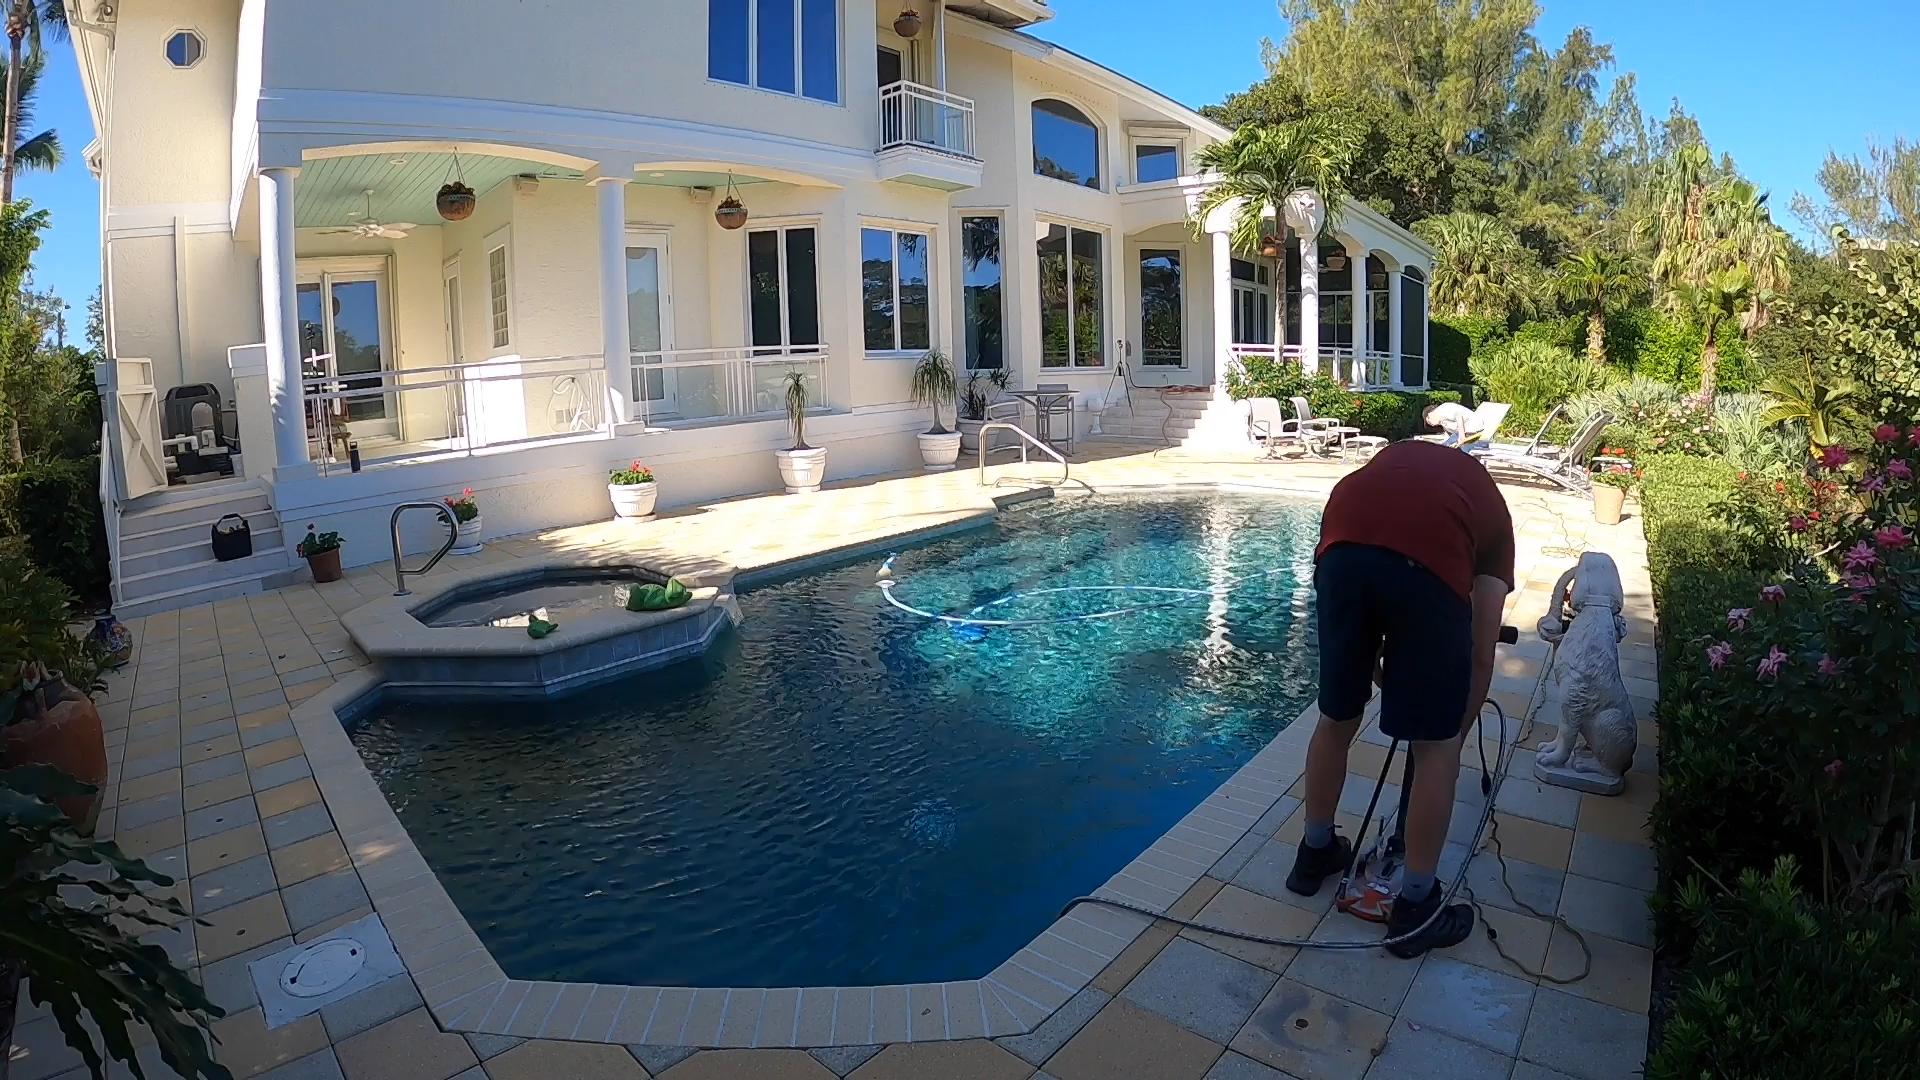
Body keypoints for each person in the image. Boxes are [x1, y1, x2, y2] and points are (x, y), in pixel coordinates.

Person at [1286, 439, 1516, 958]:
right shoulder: (1495, 525)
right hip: (1422, 563)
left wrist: (1376, 661)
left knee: (1337, 715)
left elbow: (1370, 588)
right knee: (1433, 747)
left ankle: (1313, 855)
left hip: (1342, 544)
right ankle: (1415, 908)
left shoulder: (1399, 461)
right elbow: (1481, 654)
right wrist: (1454, 733)